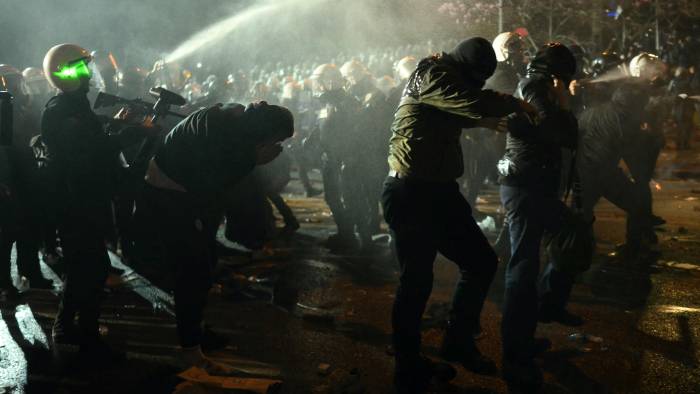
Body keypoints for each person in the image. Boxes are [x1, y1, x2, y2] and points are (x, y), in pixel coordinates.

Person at [382, 37, 537, 392]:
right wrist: (513, 105)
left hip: (438, 190)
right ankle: (407, 367)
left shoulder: (444, 76)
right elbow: (465, 101)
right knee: (416, 281)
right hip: (411, 191)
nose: (477, 85)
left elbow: (445, 112)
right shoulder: (433, 72)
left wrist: (481, 120)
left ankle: (457, 341)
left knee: (481, 262)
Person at [137, 101, 293, 374]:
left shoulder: (229, 121)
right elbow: (213, 183)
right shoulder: (231, 144)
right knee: (193, 272)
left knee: (202, 265)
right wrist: (254, 159)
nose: (277, 146)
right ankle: (190, 349)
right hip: (169, 199)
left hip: (171, 195)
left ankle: (195, 331)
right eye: (276, 140)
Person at [41, 43, 156, 358]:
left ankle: (71, 327)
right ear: (68, 74)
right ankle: (80, 333)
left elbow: (88, 144)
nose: (90, 75)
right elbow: (87, 155)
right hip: (76, 204)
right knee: (89, 267)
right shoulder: (61, 110)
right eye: (83, 68)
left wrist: (116, 125)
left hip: (86, 200)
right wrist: (130, 134)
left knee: (86, 267)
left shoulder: (73, 107)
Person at [497, 42, 579, 391]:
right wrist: (563, 103)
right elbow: (560, 133)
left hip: (535, 185)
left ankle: (544, 308)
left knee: (572, 238)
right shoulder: (534, 88)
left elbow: (566, 137)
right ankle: (515, 354)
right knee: (523, 266)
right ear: (558, 75)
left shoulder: (540, 88)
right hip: (525, 187)